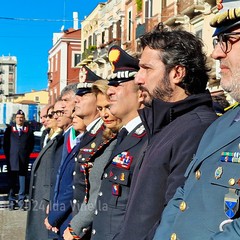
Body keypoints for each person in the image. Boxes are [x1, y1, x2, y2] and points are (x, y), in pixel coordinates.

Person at [114, 23, 218, 240]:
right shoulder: (163, 125)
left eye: (147, 68)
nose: (138, 78)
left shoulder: (196, 128)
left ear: (177, 73)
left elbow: (174, 218)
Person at [153, 1, 240, 239]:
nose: (216, 52)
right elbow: (183, 196)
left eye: (227, 39)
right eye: (216, 41)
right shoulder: (224, 122)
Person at [90, 45, 147, 240]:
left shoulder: (147, 139)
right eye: (111, 84)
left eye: (119, 84)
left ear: (140, 93)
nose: (110, 91)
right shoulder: (124, 136)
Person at [63, 79, 121, 240]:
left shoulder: (114, 140)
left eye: (108, 107)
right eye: (101, 108)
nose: (104, 113)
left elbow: (100, 191)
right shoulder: (100, 135)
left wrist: (76, 225)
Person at [26, 103, 62, 240]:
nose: (44, 120)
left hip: (47, 195)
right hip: (40, 192)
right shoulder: (46, 135)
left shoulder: (60, 138)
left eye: (48, 116)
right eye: (42, 117)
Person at [3, 109, 35, 211]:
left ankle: (21, 201)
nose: (19, 119)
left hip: (23, 160)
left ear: (24, 119)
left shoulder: (28, 131)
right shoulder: (9, 130)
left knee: (22, 182)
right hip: (12, 160)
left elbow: (31, 145)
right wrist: (9, 156)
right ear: (15, 119)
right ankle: (11, 201)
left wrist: (25, 155)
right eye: (17, 118)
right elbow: (6, 145)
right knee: (11, 182)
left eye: (21, 118)